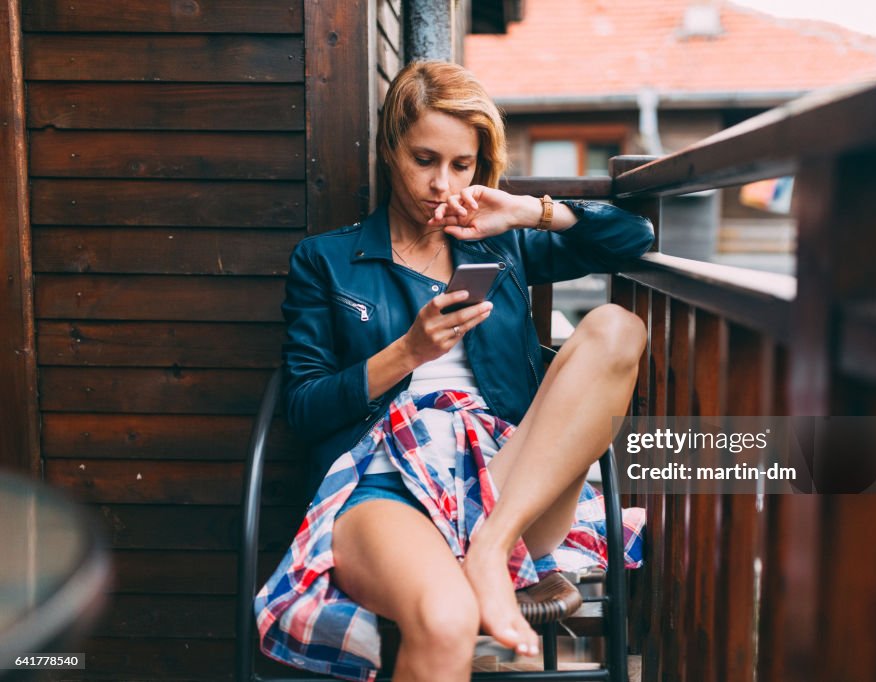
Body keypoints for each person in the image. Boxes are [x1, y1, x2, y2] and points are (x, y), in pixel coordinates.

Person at [255, 61, 653, 681]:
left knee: (616, 328)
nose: (442, 184)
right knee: (444, 620)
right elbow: (304, 409)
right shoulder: (326, 261)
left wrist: (525, 213)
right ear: (390, 152)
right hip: (385, 479)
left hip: (506, 480)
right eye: (424, 159)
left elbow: (634, 236)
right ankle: (480, 563)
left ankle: (490, 551)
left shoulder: (500, 242)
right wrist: (408, 352)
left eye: (461, 165)